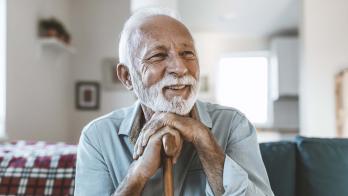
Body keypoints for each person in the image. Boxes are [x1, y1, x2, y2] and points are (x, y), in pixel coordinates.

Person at [74, 8, 274, 196]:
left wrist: (204, 141)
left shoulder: (233, 125)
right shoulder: (97, 136)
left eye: (187, 54)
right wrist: (138, 175)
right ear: (127, 77)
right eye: (158, 56)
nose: (179, 68)